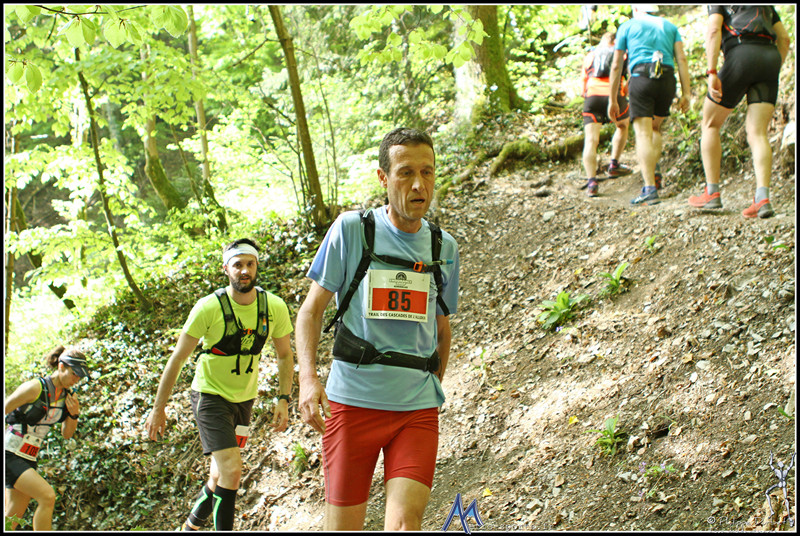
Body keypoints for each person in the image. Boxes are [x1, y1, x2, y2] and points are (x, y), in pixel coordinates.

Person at [296, 127, 459, 531]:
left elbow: (442, 328)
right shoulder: (352, 230)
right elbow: (310, 312)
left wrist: (429, 384)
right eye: (406, 173)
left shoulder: (444, 248)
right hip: (353, 405)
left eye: (427, 172)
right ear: (383, 178)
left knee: (405, 524)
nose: (419, 184)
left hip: (416, 410)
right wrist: (308, 378)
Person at [144, 239, 294, 531]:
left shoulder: (273, 307)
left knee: (219, 475)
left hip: (244, 399)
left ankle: (188, 528)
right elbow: (177, 359)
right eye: (237, 265)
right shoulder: (208, 307)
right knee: (232, 470)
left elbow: (285, 355)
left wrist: (283, 398)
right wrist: (158, 408)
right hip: (210, 396)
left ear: (256, 266)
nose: (244, 271)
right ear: (226, 269)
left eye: (249, 264)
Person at [687, 6, 790, 218]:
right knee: (758, 132)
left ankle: (712, 192)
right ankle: (762, 198)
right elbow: (785, 39)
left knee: (710, 124)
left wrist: (712, 71)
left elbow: (714, 30)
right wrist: (773, 67)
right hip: (770, 57)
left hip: (741, 53)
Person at [608, 4, 691, 205]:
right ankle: (654, 170)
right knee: (655, 129)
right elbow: (681, 59)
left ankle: (650, 189)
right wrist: (686, 93)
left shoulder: (627, 26)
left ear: (636, 9)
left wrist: (612, 99)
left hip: (641, 78)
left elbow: (617, 65)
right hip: (667, 80)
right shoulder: (670, 26)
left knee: (643, 133)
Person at [5, 346, 90, 531]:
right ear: (61, 366)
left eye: (80, 376)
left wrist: (74, 414)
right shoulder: (35, 387)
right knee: (47, 496)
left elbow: (67, 434)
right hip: (9, 453)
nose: (76, 379)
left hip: (29, 457)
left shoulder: (69, 397)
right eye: (74, 373)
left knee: (12, 518)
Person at [581, 31, 633, 197]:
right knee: (623, 125)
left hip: (593, 97)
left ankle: (592, 182)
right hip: (614, 96)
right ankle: (614, 164)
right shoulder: (622, 55)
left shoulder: (590, 56)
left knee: (591, 140)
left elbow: (583, 84)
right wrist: (624, 93)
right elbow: (629, 78)